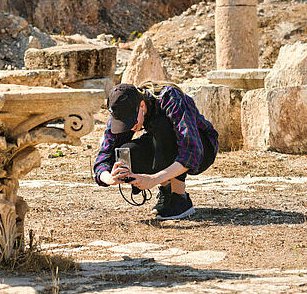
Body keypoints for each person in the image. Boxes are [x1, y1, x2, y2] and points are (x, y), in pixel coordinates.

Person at [93, 82, 218, 220]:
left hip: (202, 147)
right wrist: (110, 178)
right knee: (126, 152)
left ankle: (179, 198)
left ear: (142, 105)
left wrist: (154, 179)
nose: (130, 126)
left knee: (162, 126)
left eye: (130, 120)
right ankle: (167, 191)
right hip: (165, 143)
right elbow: (104, 157)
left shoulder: (170, 97)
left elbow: (191, 151)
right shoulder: (119, 111)